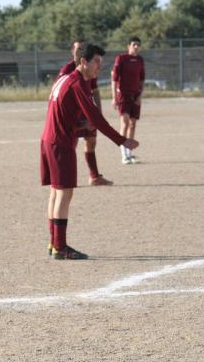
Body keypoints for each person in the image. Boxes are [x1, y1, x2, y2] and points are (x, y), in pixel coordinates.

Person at [41, 43, 139, 260]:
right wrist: (122, 140)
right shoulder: (77, 83)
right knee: (65, 193)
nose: (99, 67)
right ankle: (60, 247)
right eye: (96, 62)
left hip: (50, 139)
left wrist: (77, 125)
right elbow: (96, 118)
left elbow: (58, 110)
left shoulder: (65, 78)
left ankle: (54, 243)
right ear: (83, 61)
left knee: (56, 192)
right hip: (60, 143)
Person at [58, 39, 113, 186]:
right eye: (77, 49)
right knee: (71, 144)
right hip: (74, 114)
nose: (80, 52)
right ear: (72, 51)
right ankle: (65, 177)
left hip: (87, 111)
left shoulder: (89, 67)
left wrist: (98, 112)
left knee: (91, 141)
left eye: (82, 49)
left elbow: (95, 90)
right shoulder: (67, 69)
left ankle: (94, 176)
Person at [111, 36, 145, 164]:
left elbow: (142, 80)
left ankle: (130, 153)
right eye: (134, 44)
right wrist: (114, 97)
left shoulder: (140, 60)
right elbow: (114, 79)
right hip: (123, 96)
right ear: (128, 46)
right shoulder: (121, 59)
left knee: (132, 124)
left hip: (135, 96)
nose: (136, 47)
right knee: (124, 124)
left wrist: (140, 96)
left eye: (138, 45)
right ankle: (124, 155)